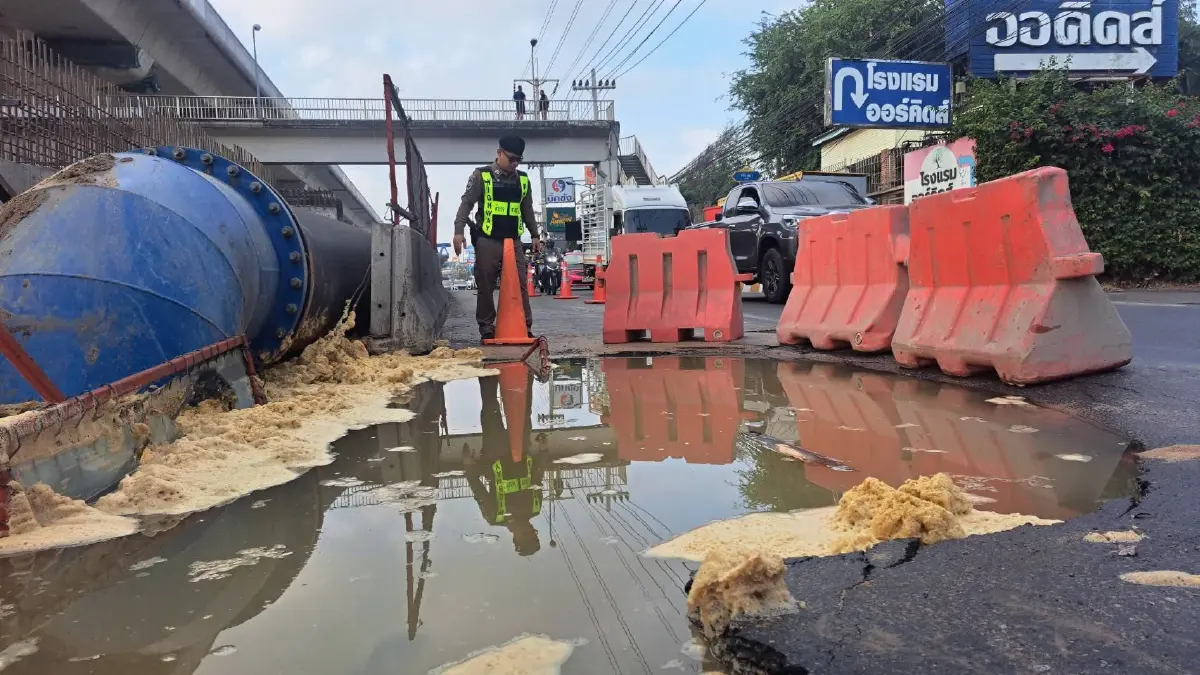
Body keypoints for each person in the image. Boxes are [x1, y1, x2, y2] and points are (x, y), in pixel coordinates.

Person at [453, 135, 540, 342]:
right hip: (488, 240)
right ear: (499, 153)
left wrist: (535, 235)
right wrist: (458, 231)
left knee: (520, 284)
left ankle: (524, 326)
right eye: (511, 159)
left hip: (513, 241)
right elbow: (466, 203)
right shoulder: (481, 176)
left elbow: (527, 210)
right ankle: (487, 328)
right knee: (485, 284)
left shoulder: (523, 180)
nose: (515, 163)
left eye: (518, 160)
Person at [462, 371, 545, 556]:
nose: (531, 530)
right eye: (534, 533)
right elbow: (538, 476)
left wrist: (469, 466)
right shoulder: (535, 508)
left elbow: (478, 489)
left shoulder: (495, 516)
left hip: (494, 453)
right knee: (523, 409)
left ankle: (488, 371)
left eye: (528, 535)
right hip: (522, 447)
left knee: (491, 408)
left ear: (516, 538)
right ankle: (524, 373)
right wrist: (543, 451)